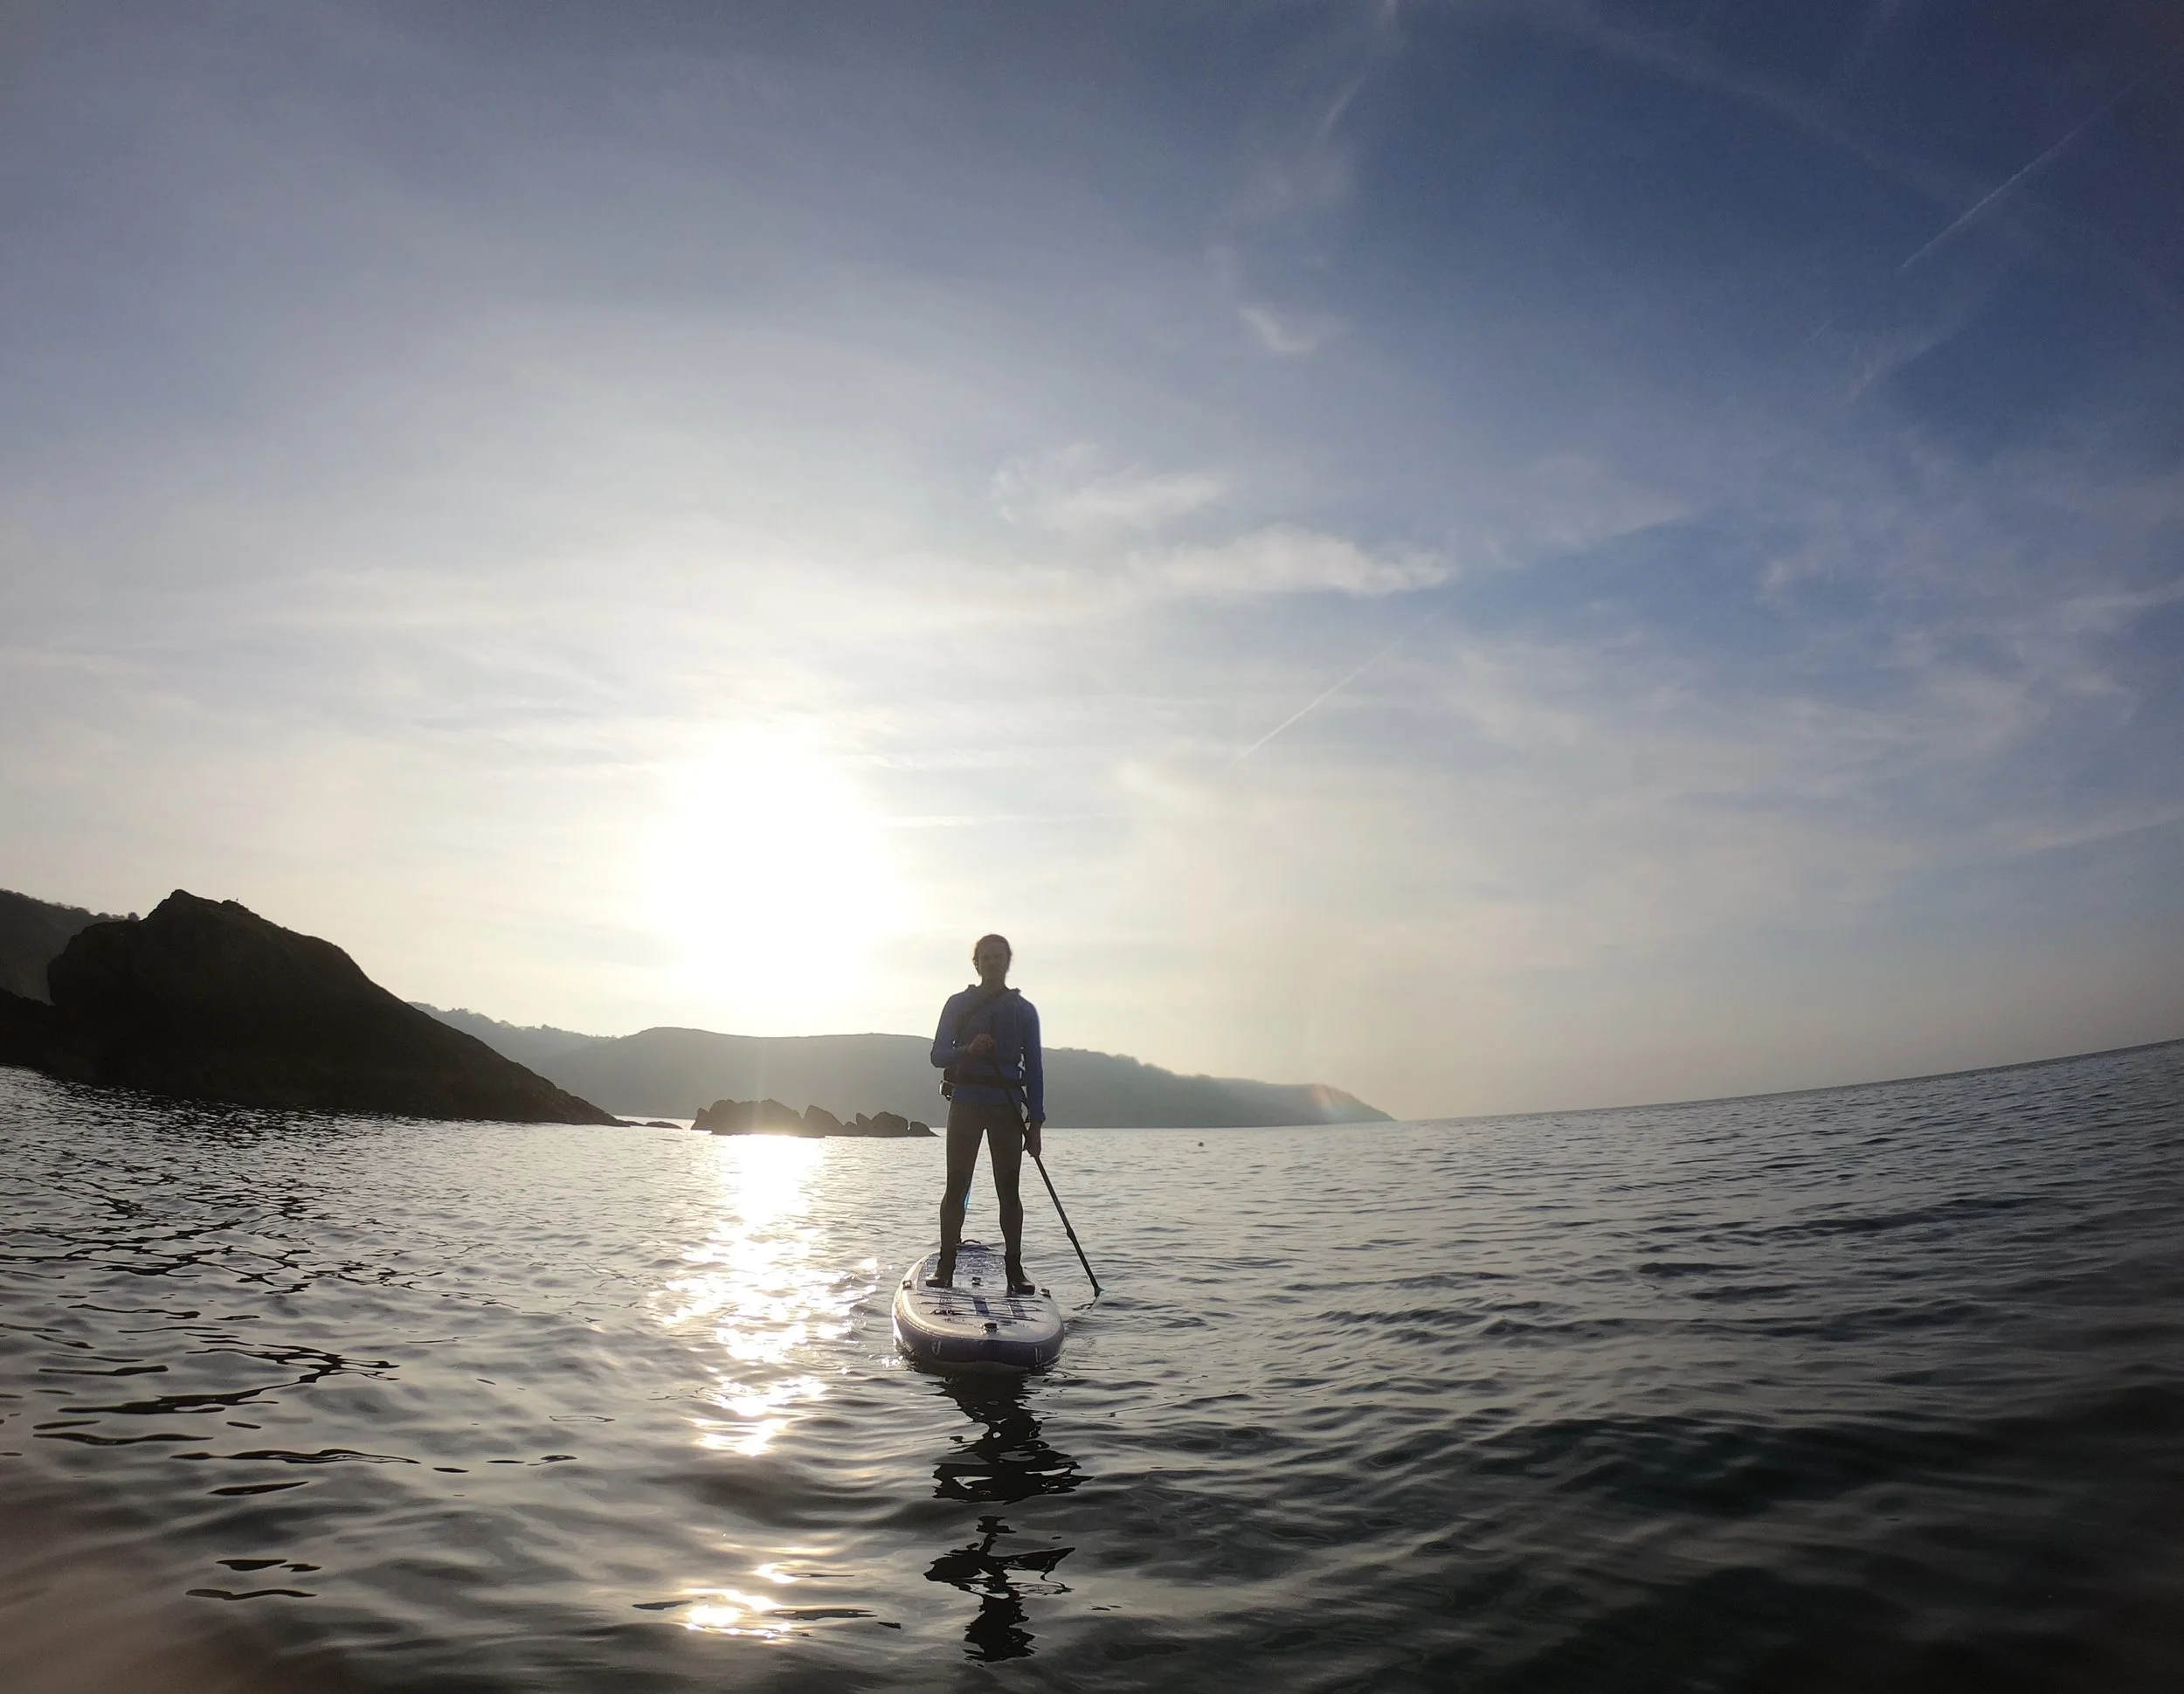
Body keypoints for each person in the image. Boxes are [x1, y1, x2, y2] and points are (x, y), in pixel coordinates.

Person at [928, 933, 1043, 1294]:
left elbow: (1036, 1069)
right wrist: (968, 1049)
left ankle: (1014, 1268)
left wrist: (1036, 1122)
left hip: (1007, 1108)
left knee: (1009, 1191)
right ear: (975, 963)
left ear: (1008, 962)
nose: (993, 962)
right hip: (966, 1104)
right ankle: (946, 1265)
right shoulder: (958, 1004)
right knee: (956, 1188)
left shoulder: (1024, 1011)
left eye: (999, 957)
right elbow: (937, 1055)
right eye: (986, 957)